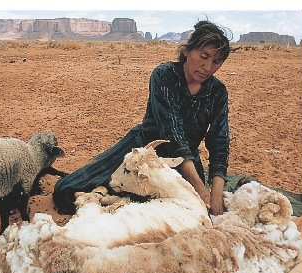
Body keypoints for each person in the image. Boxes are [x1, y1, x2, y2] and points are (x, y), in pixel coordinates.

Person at [53, 20, 232, 216]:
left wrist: (215, 192)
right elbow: (172, 133)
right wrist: (199, 186)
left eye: (216, 62)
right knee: (67, 190)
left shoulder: (217, 91)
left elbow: (219, 140)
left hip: (185, 162)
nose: (207, 67)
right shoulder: (164, 76)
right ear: (187, 51)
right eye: (203, 56)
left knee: (181, 211)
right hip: (144, 153)